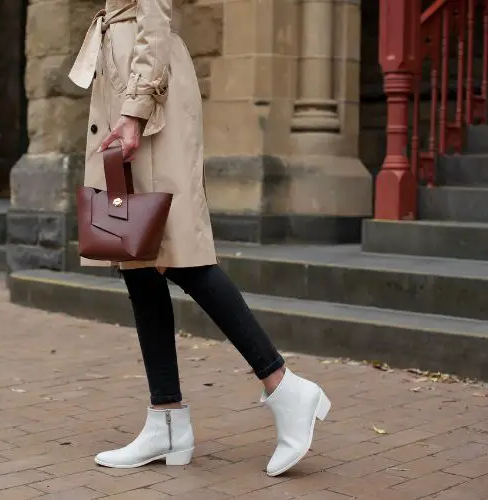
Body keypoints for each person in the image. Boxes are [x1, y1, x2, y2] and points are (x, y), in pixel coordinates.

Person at [68, 0, 330, 477]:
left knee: (178, 255)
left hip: (146, 95)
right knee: (138, 257)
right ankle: (166, 419)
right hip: (126, 85)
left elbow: (154, 16)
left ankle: (285, 387)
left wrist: (135, 109)